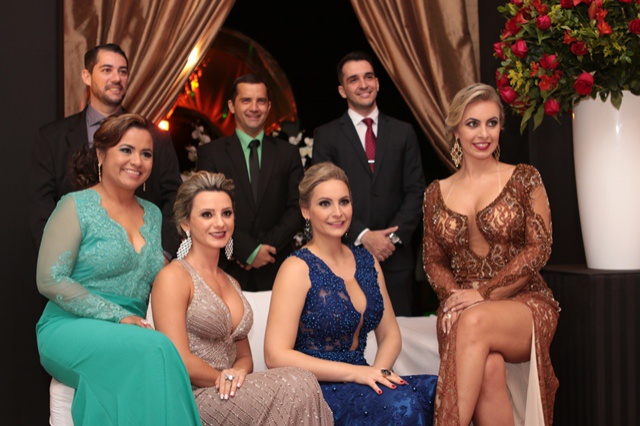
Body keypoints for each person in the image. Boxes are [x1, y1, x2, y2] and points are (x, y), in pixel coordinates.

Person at [35, 114, 201, 425]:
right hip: (69, 327)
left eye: (146, 153)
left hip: (131, 333)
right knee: (159, 348)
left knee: (157, 351)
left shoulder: (153, 214)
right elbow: (49, 279)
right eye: (126, 150)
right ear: (101, 154)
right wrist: (117, 316)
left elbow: (162, 276)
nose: (137, 161)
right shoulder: (75, 205)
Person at [422, 83, 560, 425]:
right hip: (462, 307)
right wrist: (456, 298)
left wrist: (482, 294)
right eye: (473, 124)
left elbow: (538, 249)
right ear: (456, 129)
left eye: (492, 123)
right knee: (489, 368)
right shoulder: (435, 193)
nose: (483, 134)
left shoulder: (524, 178)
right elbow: (433, 261)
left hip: (525, 303)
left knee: (474, 321)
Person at [151, 171, 333, 425]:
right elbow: (179, 358)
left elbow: (244, 357)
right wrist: (223, 378)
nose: (220, 223)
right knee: (298, 383)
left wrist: (237, 372)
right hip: (194, 398)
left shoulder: (232, 283)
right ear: (186, 224)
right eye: (207, 214)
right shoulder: (173, 277)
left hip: (231, 391)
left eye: (226, 213)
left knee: (303, 380)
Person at [264, 162, 437, 425]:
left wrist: (379, 372)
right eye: (325, 203)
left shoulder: (368, 261)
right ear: (306, 211)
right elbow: (275, 354)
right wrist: (356, 374)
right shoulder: (296, 268)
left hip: (364, 378)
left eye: (344, 202)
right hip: (317, 389)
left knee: (439, 390)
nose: (337, 212)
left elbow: (390, 334)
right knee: (403, 404)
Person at [30, 43, 182, 257]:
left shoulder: (156, 137)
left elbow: (175, 199)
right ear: (87, 76)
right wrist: (60, 259)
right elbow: (41, 205)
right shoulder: (52, 138)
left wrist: (162, 256)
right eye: (107, 70)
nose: (117, 78)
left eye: (123, 71)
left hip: (140, 262)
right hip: (73, 263)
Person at [313, 51, 425, 316]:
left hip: (396, 258)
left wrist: (390, 239)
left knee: (401, 334)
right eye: (353, 79)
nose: (363, 84)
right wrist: (363, 235)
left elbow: (416, 191)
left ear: (377, 82)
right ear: (342, 90)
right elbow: (323, 196)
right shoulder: (327, 136)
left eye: (368, 77)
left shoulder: (403, 132)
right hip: (345, 256)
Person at [197, 74, 304, 291]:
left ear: (268, 106)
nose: (254, 108)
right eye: (246, 100)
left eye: (261, 101)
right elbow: (204, 209)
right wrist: (247, 250)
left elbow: (298, 207)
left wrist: (265, 248)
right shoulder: (211, 154)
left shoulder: (288, 153)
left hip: (277, 268)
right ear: (232, 106)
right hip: (226, 268)